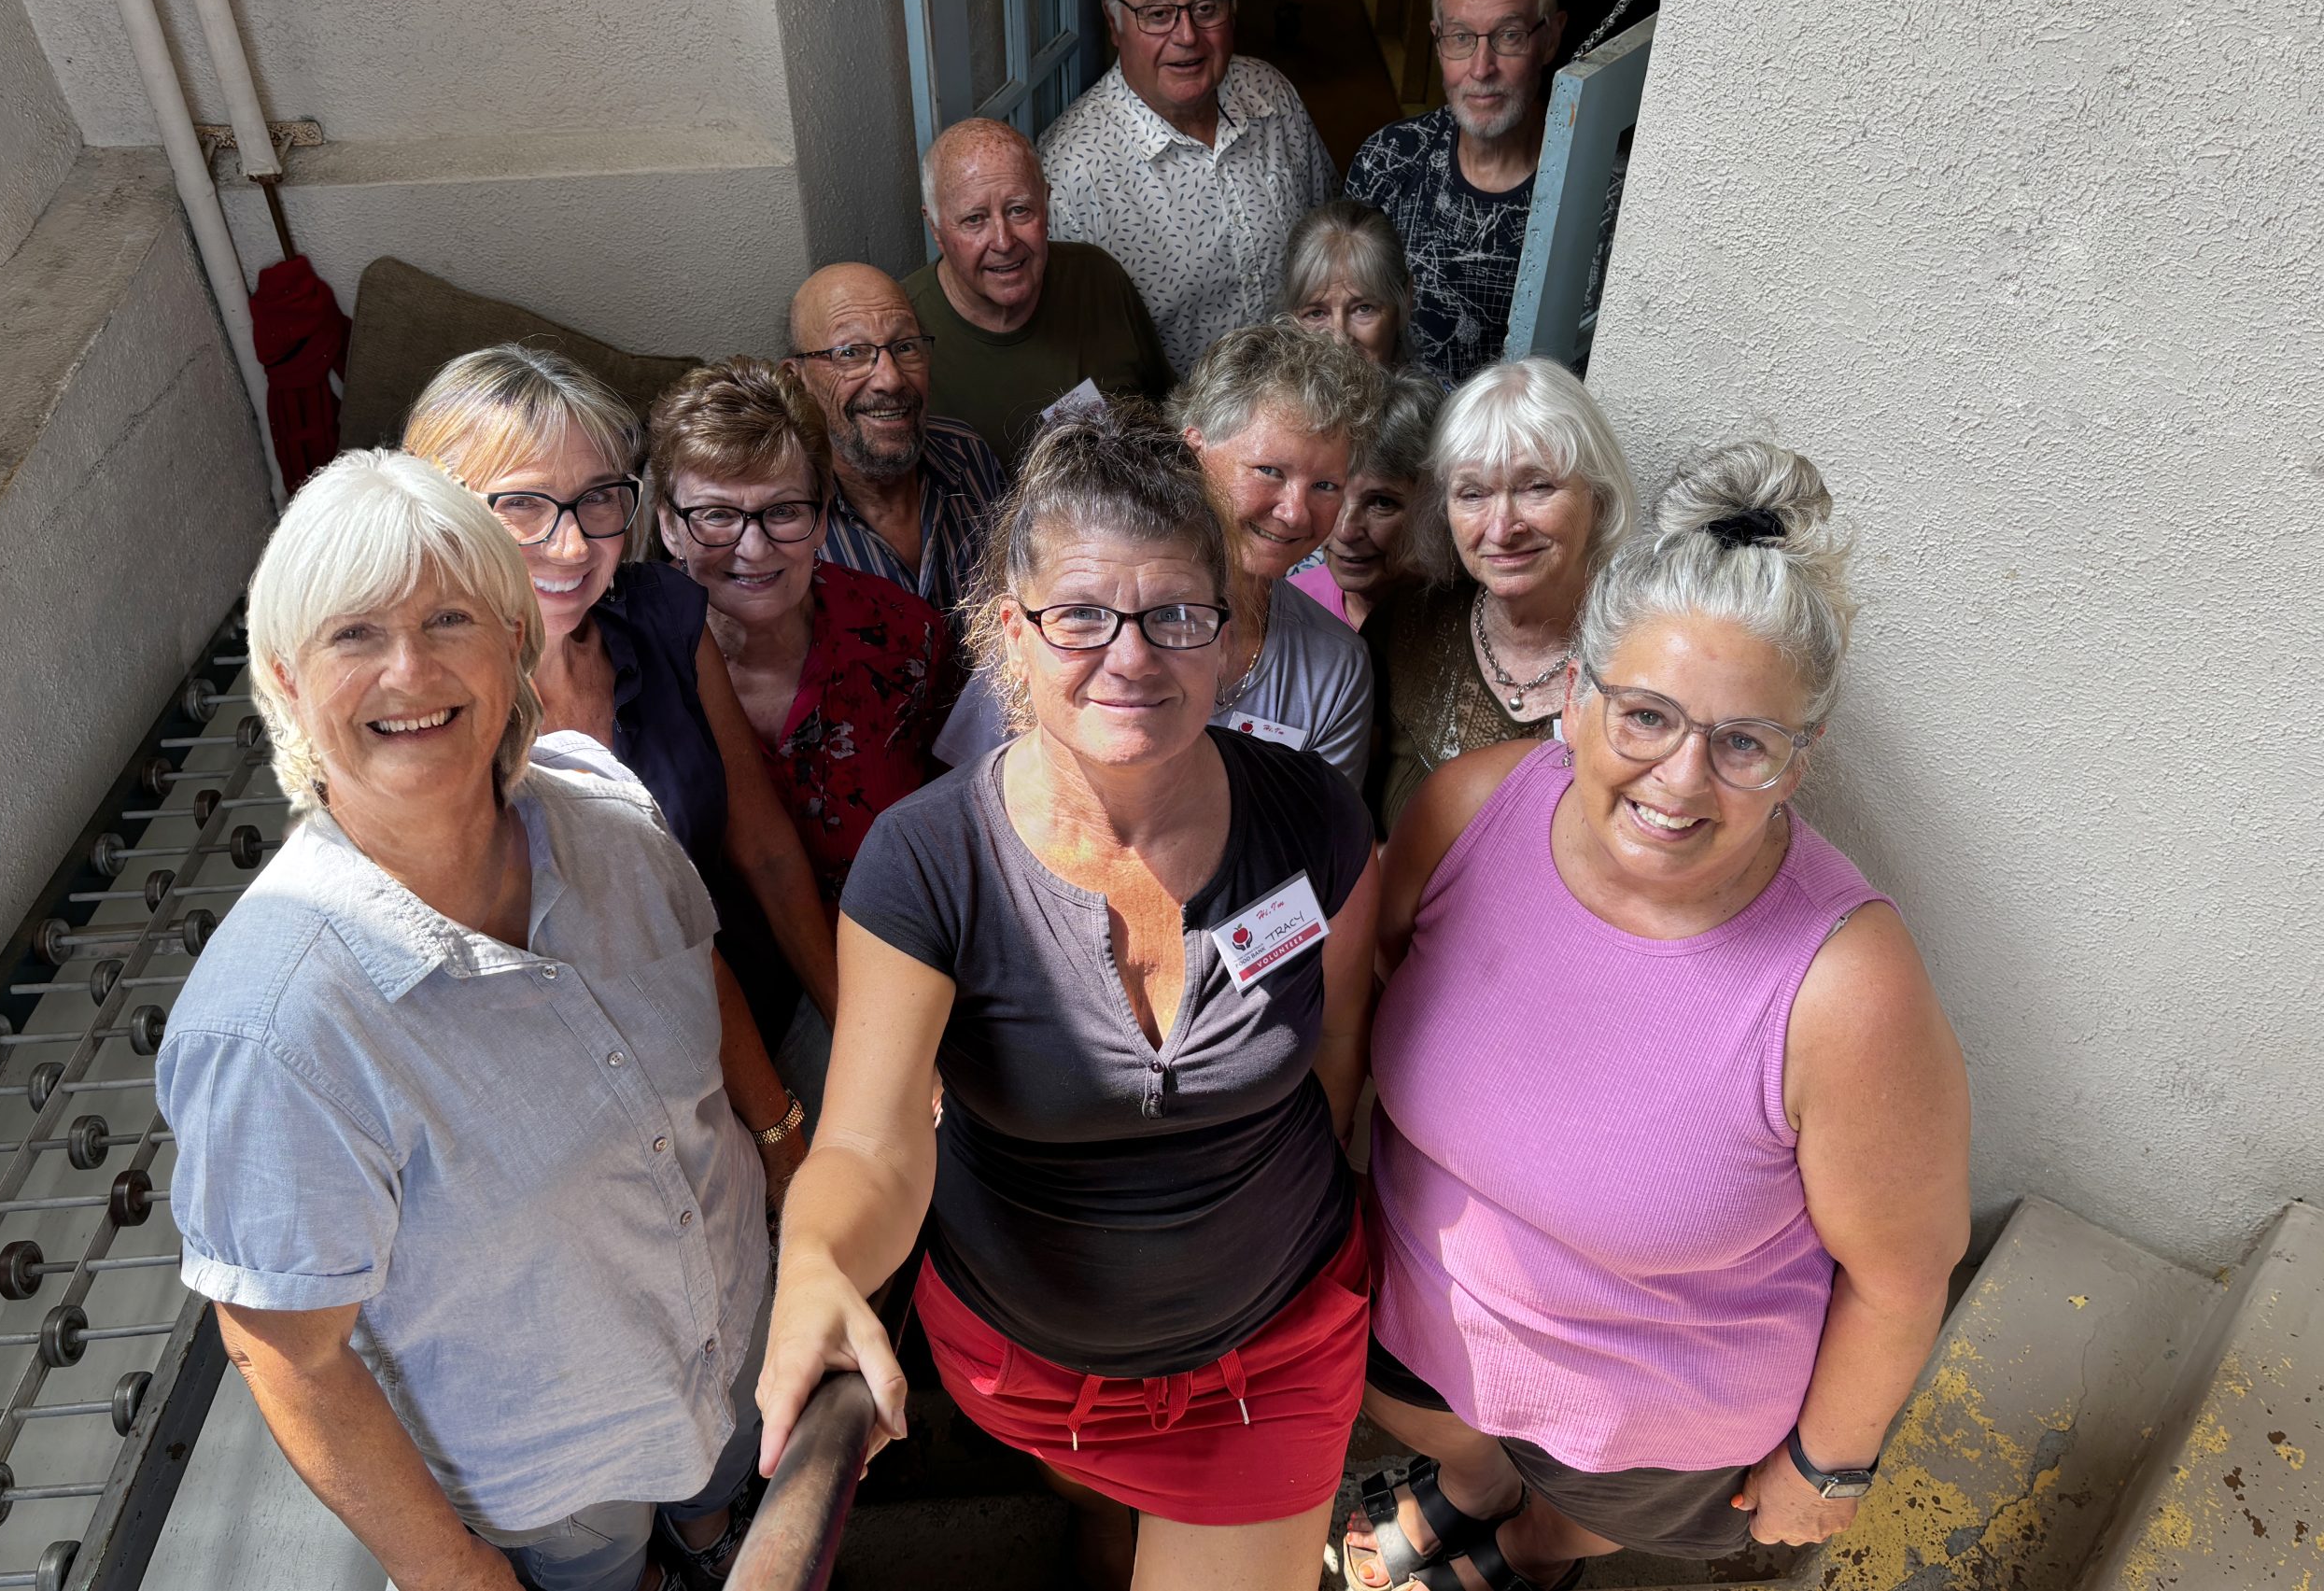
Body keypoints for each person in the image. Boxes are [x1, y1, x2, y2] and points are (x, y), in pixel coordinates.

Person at [758, 405, 1382, 1591]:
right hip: (1030, 1367)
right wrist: (817, 1262)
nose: (1132, 654)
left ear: (1230, 637)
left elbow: (1340, 1042)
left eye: (1174, 616)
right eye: (1082, 615)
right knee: (1101, 1522)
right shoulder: (928, 857)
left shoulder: (1314, 816)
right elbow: (872, 1139)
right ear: (1013, 633)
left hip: (1271, 1354)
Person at [158, 451, 798, 1591]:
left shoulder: (596, 800)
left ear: (514, 644)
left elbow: (697, 971)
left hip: (735, 1342)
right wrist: (458, 1576)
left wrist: (788, 1148)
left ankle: (707, 1534)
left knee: (726, 1505)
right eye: (355, 634)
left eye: (451, 616)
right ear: (285, 677)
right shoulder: (274, 1026)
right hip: (554, 1476)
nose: (412, 669)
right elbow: (285, 1350)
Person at [1346, 441, 1971, 1591]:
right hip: (1420, 1322)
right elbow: (1377, 979)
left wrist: (1826, 1464)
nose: (1680, 781)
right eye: (1645, 715)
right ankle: (1480, 1487)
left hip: (1653, 1429)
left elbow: (1901, 1270)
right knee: (1441, 1430)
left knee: (1578, 1516)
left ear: (1798, 760)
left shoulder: (1848, 984)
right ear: (1576, 695)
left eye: (1740, 742)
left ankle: (1535, 1543)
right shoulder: (1466, 809)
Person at [404, 345, 837, 1127]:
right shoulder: (428, 722)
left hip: (766, 1010)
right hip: (601, 1103)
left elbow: (766, 850)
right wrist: (778, 1136)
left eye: (598, 497)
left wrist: (868, 1042)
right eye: (523, 505)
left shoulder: (661, 619)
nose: (572, 546)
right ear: (444, 516)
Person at [936, 322, 1380, 791]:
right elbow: (965, 803)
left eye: (1325, 485)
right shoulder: (1063, 605)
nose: (1294, 512)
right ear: (1195, 451)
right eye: (1269, 471)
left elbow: (1322, 843)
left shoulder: (1334, 666)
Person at [649, 356, 950, 908]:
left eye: (784, 510)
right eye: (716, 515)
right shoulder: (630, 663)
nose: (755, 549)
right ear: (669, 525)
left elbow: (961, 825)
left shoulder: (909, 639)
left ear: (825, 511)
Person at [1040, 0, 1336, 375]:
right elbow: (1074, 366)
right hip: (1181, 435)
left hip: (1307, 389)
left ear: (1233, 6)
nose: (1187, 35)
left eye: (1207, 8)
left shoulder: (1270, 93)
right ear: (1114, 21)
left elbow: (1331, 235)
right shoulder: (1071, 177)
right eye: (1157, 14)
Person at [1362, 358, 1633, 837]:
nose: (1503, 528)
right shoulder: (1403, 627)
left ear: (1599, 497)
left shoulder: (1638, 662)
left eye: (1536, 486)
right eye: (1472, 494)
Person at [1345, 0, 1569, 385]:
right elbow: (1336, 326)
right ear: (1437, 40)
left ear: (1549, 39)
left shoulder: (1592, 195)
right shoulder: (1387, 160)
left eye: (1508, 35)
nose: (1481, 68)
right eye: (1461, 37)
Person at [902, 118, 1171, 468]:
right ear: (936, 228)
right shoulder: (901, 329)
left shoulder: (1097, 277)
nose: (1003, 241)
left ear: (1045, 203)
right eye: (974, 220)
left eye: (1019, 210)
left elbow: (1166, 412)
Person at [785, 263, 1008, 637]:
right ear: (798, 378)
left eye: (905, 347)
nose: (890, 379)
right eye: (850, 353)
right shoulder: (781, 521)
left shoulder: (968, 456)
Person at [1289, 367, 1441, 631]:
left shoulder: (1469, 623)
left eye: (1381, 503)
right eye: (1328, 489)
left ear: (1435, 507)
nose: (1346, 531)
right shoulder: (1290, 607)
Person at [1282, 198, 1416, 368]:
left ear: (1406, 300)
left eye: (1364, 308)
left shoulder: (1445, 395)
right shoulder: (1265, 394)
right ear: (1291, 321)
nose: (1340, 342)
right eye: (1316, 313)